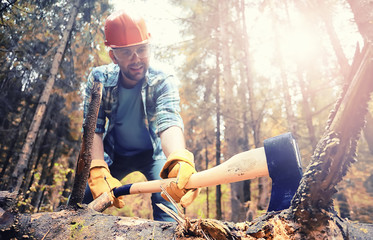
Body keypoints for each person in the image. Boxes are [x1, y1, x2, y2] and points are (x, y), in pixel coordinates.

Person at [82, 9, 199, 222]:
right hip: (114, 155)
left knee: (169, 206)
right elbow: (93, 130)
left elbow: (169, 121)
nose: (136, 59)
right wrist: (97, 167)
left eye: (142, 49)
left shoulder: (163, 80)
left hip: (153, 156)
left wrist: (178, 158)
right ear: (113, 56)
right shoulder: (99, 78)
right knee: (83, 201)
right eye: (127, 52)